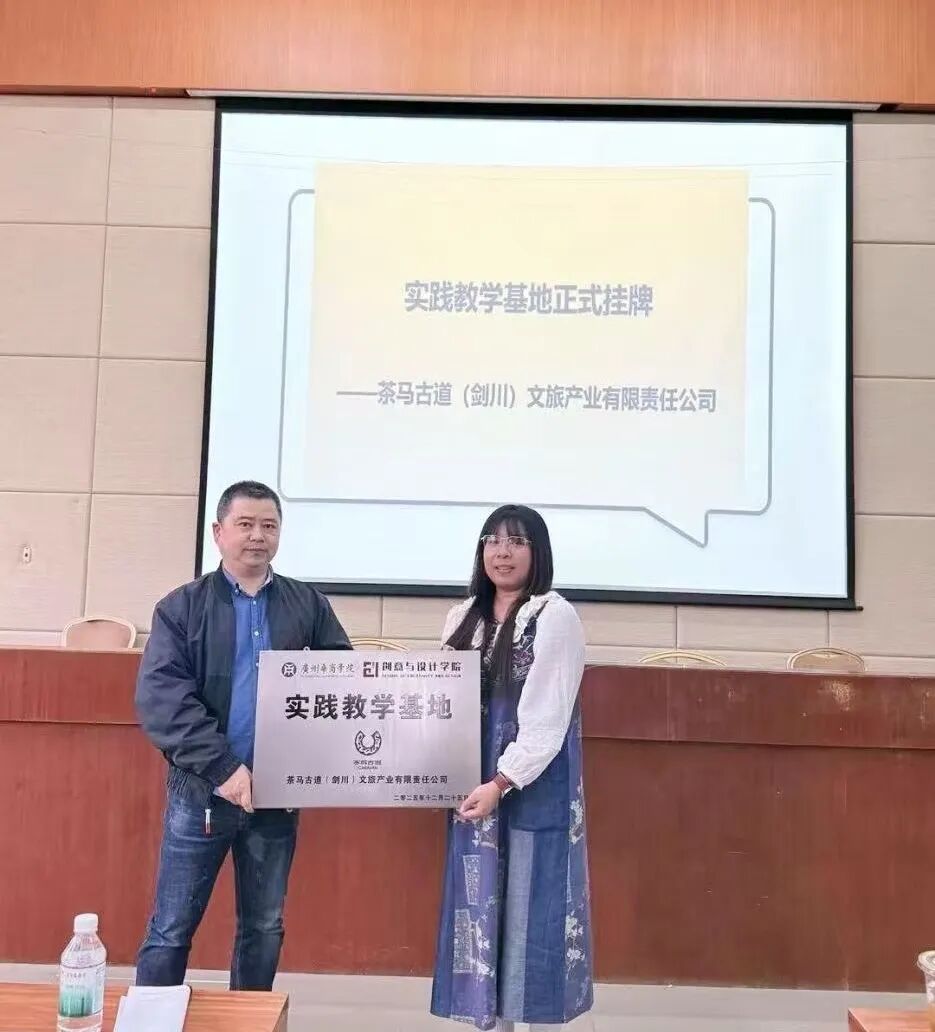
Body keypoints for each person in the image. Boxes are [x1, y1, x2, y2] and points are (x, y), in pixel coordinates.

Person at [134, 480, 351, 989]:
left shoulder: (308, 604)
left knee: (264, 927)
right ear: (218, 532)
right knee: (171, 929)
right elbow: (163, 700)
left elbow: (340, 682)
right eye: (246, 524)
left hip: (276, 798)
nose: (258, 536)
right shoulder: (181, 607)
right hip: (202, 796)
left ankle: (249, 1019)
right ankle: (154, 1019)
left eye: (269, 526)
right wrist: (224, 769)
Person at [431, 504, 594, 1031]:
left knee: (531, 909)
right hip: (472, 784)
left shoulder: (554, 616)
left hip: (531, 785)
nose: (502, 552)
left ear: (537, 552)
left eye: (517, 541)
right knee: (479, 905)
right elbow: (439, 702)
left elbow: (548, 719)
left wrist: (501, 781)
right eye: (493, 541)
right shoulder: (463, 616)